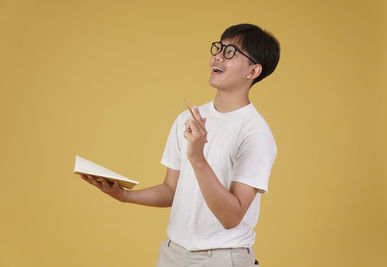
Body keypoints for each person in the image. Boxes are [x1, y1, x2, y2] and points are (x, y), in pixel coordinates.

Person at [80, 23, 280, 267]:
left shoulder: (255, 133)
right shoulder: (188, 118)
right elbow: (172, 190)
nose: (217, 56)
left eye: (231, 52)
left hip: (222, 258)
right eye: (219, 48)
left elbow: (231, 217)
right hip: (173, 254)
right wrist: (123, 196)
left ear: (253, 71)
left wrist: (197, 158)